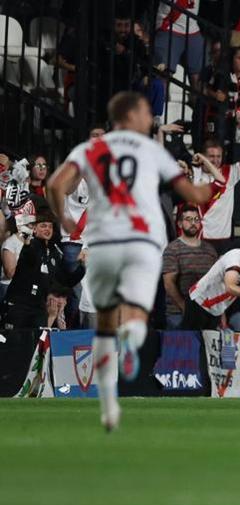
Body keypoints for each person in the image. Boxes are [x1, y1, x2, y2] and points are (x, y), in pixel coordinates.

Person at [47, 91, 213, 431]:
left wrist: (64, 222)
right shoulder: (151, 150)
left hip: (104, 240)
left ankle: (109, 406)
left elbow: (54, 185)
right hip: (143, 240)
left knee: (105, 323)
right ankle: (134, 336)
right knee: (135, 313)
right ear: (133, 116)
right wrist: (212, 186)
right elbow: (194, 195)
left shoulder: (89, 150)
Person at [2, 213, 85, 330]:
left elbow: (64, 281)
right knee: (15, 345)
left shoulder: (54, 253)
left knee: (36, 344)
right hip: (20, 306)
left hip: (39, 308)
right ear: (34, 229)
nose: (48, 229)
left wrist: (82, 267)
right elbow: (29, 255)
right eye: (43, 226)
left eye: (50, 226)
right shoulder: (30, 246)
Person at [190, 123, 240, 241]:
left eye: (219, 156)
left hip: (224, 239)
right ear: (203, 156)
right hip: (200, 237)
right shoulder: (193, 174)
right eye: (211, 156)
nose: (216, 160)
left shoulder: (230, 172)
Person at [162, 205, 218, 330]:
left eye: (196, 219)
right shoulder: (172, 249)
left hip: (207, 312)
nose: (193, 223)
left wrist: (220, 313)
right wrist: (185, 309)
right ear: (180, 224)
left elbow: (216, 283)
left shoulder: (210, 250)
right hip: (178, 313)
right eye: (188, 219)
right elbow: (169, 284)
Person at [183, 247, 240, 330]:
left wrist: (222, 314)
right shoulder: (235, 259)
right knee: (187, 338)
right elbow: (230, 286)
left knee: (209, 341)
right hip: (199, 301)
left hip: (216, 309)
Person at [153, 0, 204, 92]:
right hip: (169, 26)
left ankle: (198, 105)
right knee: (164, 74)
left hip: (193, 29)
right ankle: (161, 104)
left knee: (197, 77)